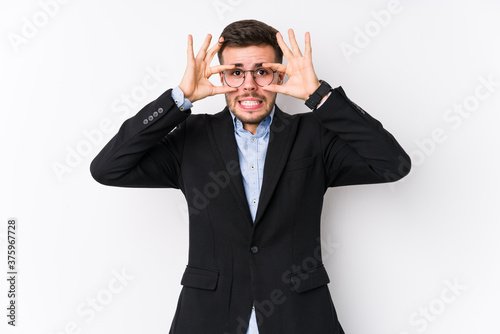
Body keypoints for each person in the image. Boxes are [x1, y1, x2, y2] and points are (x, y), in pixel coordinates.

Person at [90, 19, 410, 334]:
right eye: (236, 72)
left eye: (261, 71)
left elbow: (393, 164)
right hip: (208, 318)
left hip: (301, 317)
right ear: (221, 75)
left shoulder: (313, 135)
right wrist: (179, 98)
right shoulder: (191, 136)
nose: (249, 85)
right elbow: (108, 168)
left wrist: (319, 96)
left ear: (279, 73)